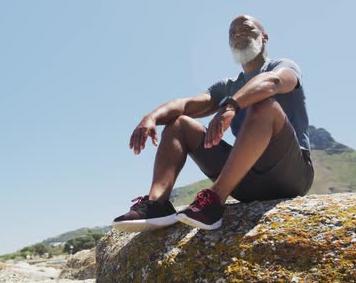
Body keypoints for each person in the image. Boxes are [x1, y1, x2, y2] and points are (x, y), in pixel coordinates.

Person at [112, 14, 314, 232]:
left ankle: (214, 201)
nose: (238, 34)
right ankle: (157, 204)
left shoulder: (282, 66)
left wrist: (232, 105)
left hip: (290, 175)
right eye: (232, 32)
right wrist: (151, 117)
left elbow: (273, 82)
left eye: (246, 28)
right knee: (179, 124)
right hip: (246, 181)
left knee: (263, 105)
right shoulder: (228, 86)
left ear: (264, 37)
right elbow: (187, 105)